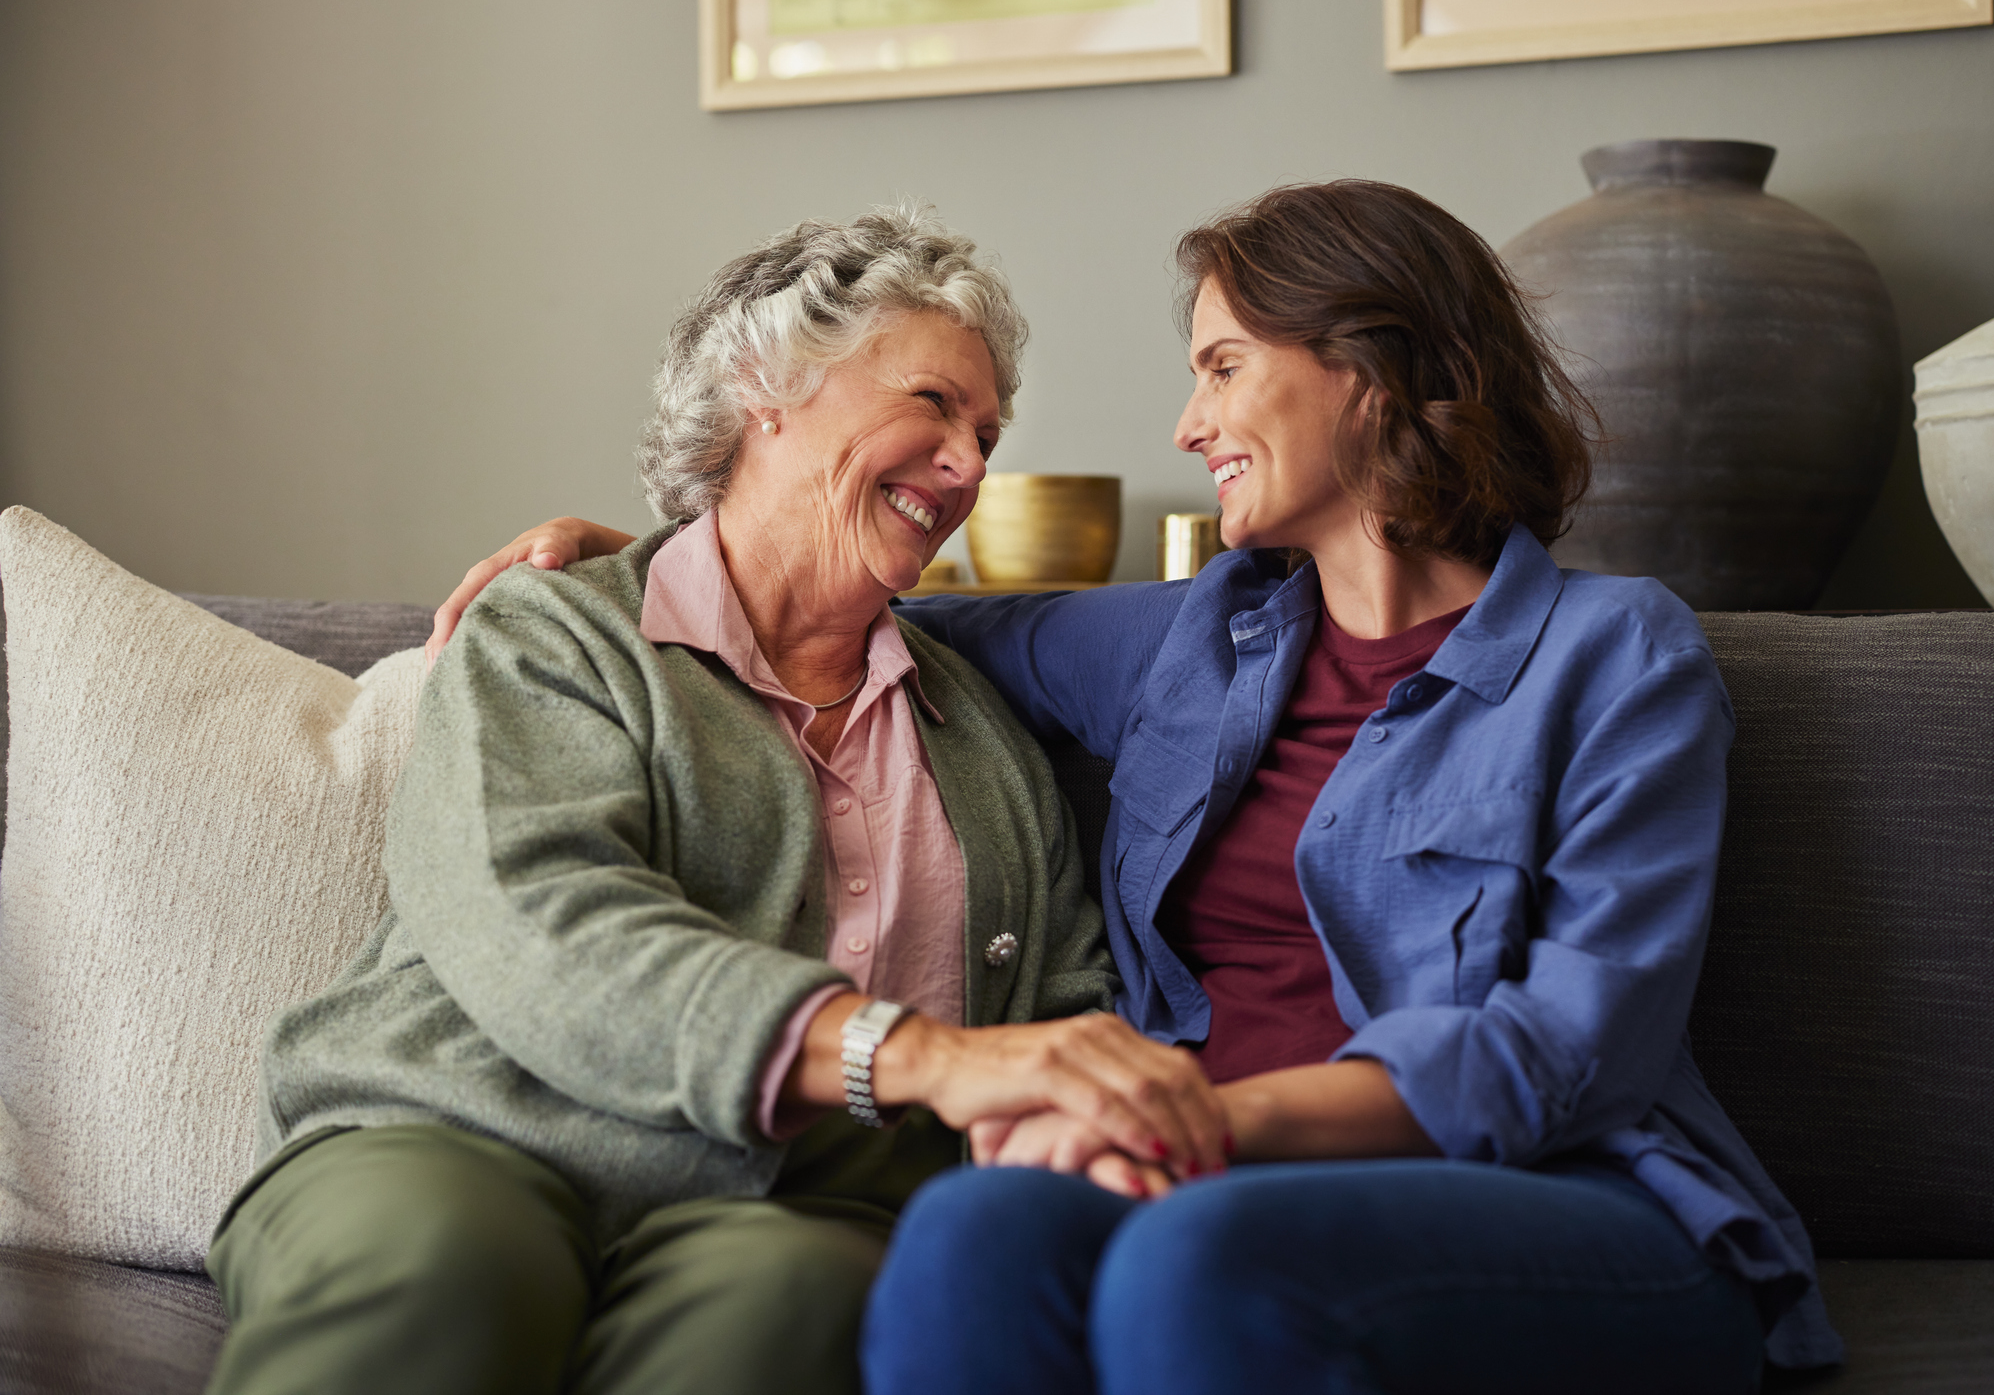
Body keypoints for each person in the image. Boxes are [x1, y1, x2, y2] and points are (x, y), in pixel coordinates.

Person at [437, 181, 1841, 1393]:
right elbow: (887, 610)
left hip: (1560, 1203)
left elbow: (1567, 1049)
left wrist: (1210, 1119)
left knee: (1195, 1251)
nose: (1188, 420)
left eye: (1223, 366)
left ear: (1364, 368)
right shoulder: (1195, 642)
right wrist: (681, 553)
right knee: (970, 1230)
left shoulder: (1614, 655)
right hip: (1199, 1181)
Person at [206, 206, 1229, 1395]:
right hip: (465, 1132)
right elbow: (541, 919)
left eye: (987, 431)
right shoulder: (560, 634)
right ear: (766, 392)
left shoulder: (987, 737)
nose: (969, 466)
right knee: (447, 1266)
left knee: (790, 1302)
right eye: (933, 405)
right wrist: (911, 1055)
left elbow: (1057, 1002)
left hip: (786, 1202)